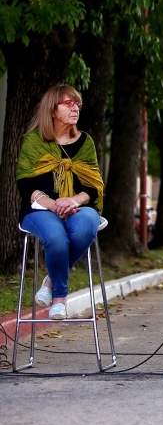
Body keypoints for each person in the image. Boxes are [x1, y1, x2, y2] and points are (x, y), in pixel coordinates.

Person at [16, 85, 104, 321]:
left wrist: (73, 201)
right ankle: (61, 296)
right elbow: (24, 183)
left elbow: (94, 186)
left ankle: (51, 282)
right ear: (52, 110)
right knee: (55, 238)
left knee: (85, 226)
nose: (75, 108)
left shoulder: (85, 142)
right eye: (69, 103)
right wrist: (53, 204)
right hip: (41, 208)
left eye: (78, 104)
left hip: (79, 207)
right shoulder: (34, 141)